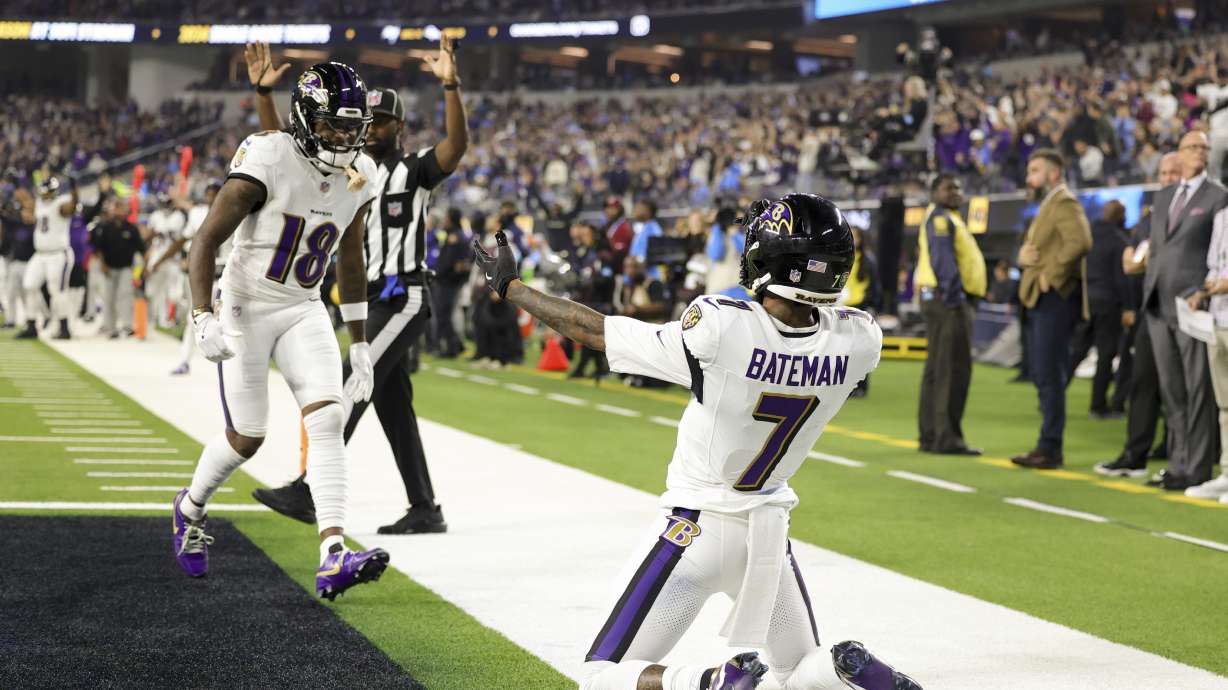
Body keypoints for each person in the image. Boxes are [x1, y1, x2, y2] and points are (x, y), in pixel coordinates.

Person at [473, 192, 922, 690]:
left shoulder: (723, 327)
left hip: (694, 528)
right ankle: (846, 668)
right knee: (797, 672)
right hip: (769, 534)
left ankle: (705, 683)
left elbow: (596, 331)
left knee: (600, 676)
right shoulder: (859, 342)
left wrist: (512, 287)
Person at [174, 60, 388, 600]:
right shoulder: (267, 154)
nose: (344, 137)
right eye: (332, 125)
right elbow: (205, 242)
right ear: (303, 119)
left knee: (329, 414)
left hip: (303, 305)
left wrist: (360, 342)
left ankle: (333, 552)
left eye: (352, 126)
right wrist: (202, 314)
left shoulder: (361, 173)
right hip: (247, 302)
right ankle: (190, 508)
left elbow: (351, 257)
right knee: (248, 437)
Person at [247, 37, 467, 535]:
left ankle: (308, 489)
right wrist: (265, 98)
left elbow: (456, 148)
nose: (370, 132)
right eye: (367, 123)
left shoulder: (414, 170)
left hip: (405, 294)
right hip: (371, 297)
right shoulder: (351, 168)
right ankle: (425, 508)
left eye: (381, 123)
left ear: (398, 126)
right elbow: (286, 155)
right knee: (394, 408)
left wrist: (450, 85)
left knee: (349, 380)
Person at [1141, 130, 1227, 491]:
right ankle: (1176, 464)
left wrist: (1202, 292)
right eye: (1193, 147)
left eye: (1204, 148)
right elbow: (1158, 248)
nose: (1200, 153)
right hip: (1158, 302)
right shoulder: (1163, 198)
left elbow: (1217, 249)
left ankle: (1198, 467)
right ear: (1179, 153)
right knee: (1171, 388)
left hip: (1194, 303)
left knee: (1198, 390)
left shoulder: (1218, 196)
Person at [1096, 152, 1181, 477]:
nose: (1168, 177)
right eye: (1164, 172)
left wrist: (1146, 259)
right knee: (1142, 382)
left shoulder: (1204, 207)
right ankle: (1135, 455)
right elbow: (1130, 257)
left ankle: (1181, 459)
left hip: (1187, 310)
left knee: (1182, 389)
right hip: (1153, 308)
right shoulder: (1152, 214)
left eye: (1175, 172)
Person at [1011, 149, 1092, 470]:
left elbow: (1081, 241)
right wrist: (1023, 258)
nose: (1029, 178)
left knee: (1050, 376)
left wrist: (1051, 276)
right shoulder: (1049, 204)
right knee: (1044, 374)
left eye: (1034, 171)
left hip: (1054, 301)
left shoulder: (1065, 202)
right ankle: (1046, 444)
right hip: (1040, 300)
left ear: (1053, 174)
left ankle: (1050, 447)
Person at [916, 174, 986, 455]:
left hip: (938, 299)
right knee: (953, 369)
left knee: (937, 368)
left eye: (958, 187)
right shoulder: (942, 219)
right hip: (949, 302)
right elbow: (943, 260)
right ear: (934, 192)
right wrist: (955, 298)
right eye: (948, 188)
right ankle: (947, 438)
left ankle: (931, 434)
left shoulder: (944, 217)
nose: (955, 192)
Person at [1069, 200, 1130, 418]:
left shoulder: (1088, 235)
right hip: (1109, 304)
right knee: (1106, 354)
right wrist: (1128, 306)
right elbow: (1121, 278)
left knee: (1077, 349)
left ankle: (1054, 395)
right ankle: (1097, 405)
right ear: (1121, 216)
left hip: (1086, 300)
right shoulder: (1119, 241)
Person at [1185, 202, 1228, 500]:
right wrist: (1204, 289)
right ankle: (1227, 472)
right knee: (1225, 405)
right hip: (1218, 318)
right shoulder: (1222, 216)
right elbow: (1214, 264)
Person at [168, 181, 227, 374]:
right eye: (209, 193)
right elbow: (188, 240)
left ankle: (228, 364)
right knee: (194, 316)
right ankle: (184, 360)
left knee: (227, 320)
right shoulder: (197, 214)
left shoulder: (235, 209)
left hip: (225, 272)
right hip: (204, 273)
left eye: (215, 193)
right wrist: (187, 259)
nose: (211, 197)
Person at [17, 176, 77, 340]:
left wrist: (75, 190)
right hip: (40, 254)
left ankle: (64, 328)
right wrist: (16, 183)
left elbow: (70, 208)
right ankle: (31, 325)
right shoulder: (39, 204)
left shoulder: (61, 203)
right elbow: (25, 202)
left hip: (58, 254)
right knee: (29, 285)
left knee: (56, 291)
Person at [89, 196, 144, 338]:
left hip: (126, 267)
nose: (119, 211)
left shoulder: (131, 228)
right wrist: (102, 264)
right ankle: (111, 327)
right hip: (109, 267)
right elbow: (98, 248)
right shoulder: (105, 227)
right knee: (109, 297)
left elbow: (141, 248)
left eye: (122, 207)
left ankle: (127, 325)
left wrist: (144, 267)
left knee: (125, 295)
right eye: (117, 207)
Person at [143, 190, 187, 330]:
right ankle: (156, 319)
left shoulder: (179, 217)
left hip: (173, 259)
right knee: (154, 291)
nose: (165, 205)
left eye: (168, 202)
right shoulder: (156, 216)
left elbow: (178, 242)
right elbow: (149, 239)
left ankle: (174, 319)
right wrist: (148, 259)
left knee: (175, 293)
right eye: (163, 202)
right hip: (157, 256)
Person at [431, 208, 470, 359]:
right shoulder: (452, 235)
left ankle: (452, 347)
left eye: (446, 217)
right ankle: (454, 345)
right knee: (445, 315)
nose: (444, 220)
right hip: (446, 281)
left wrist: (441, 275)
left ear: (451, 219)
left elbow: (458, 264)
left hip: (449, 282)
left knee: (444, 315)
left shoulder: (457, 237)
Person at [1, 187, 35, 329]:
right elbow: (3, 217)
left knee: (27, 294)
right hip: (16, 263)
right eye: (23, 212)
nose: (25, 214)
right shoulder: (16, 225)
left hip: (30, 264)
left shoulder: (35, 227)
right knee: (10, 293)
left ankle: (31, 320)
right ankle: (11, 320)